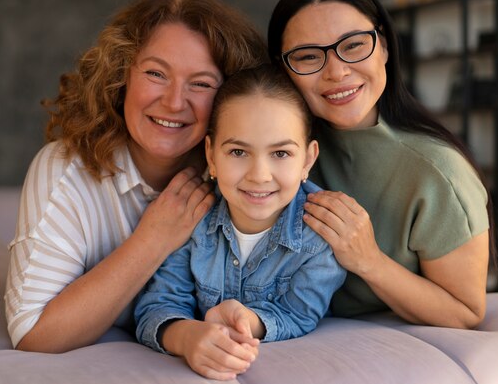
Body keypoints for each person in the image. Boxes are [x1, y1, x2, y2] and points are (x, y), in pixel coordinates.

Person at [4, 0, 268, 353]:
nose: (174, 102)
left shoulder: (249, 172)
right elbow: (34, 335)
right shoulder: (66, 169)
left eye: (202, 83)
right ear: (120, 76)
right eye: (156, 73)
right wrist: (154, 239)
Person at [267, 0, 492, 329]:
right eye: (308, 56)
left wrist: (369, 260)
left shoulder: (438, 172)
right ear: (284, 70)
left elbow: (465, 312)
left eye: (354, 45)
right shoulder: (269, 153)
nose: (337, 72)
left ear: (383, 46)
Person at [133, 64, 346, 381]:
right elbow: (158, 306)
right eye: (237, 151)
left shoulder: (320, 234)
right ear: (211, 155)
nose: (259, 175)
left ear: (308, 160)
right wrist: (189, 336)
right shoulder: (190, 218)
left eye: (281, 154)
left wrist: (248, 321)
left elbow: (299, 313)